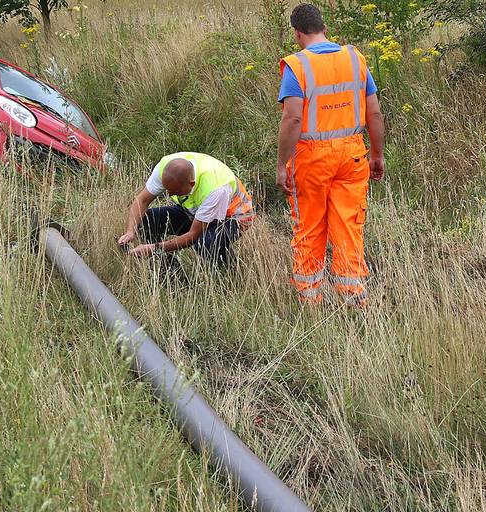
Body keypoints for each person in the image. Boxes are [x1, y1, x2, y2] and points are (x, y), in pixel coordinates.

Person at [276, 3, 386, 306]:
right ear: (324, 27)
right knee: (349, 227)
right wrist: (376, 154)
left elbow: (293, 119)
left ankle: (310, 300)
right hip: (353, 154)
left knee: (310, 228)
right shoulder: (355, 59)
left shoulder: (296, 66)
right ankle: (353, 297)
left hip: (311, 158)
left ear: (298, 34)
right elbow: (374, 113)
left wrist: (281, 165)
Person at [118, 152, 255, 277]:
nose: (170, 194)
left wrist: (155, 248)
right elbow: (141, 200)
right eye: (167, 189)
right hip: (196, 211)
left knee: (206, 244)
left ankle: (228, 277)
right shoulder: (165, 168)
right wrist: (130, 231)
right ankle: (173, 277)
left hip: (234, 216)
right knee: (145, 221)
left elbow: (192, 236)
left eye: (175, 191)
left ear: (191, 183)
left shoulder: (215, 188)